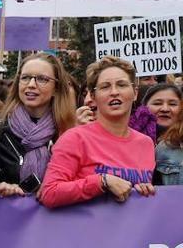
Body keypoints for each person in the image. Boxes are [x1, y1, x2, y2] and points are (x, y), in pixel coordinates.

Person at [39, 56, 156, 209]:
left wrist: (144, 191)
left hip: (130, 231)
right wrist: (102, 182)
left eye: (121, 85)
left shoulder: (146, 143)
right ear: (93, 97)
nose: (114, 92)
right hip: (86, 230)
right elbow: (49, 193)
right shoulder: (75, 138)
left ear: (134, 93)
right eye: (105, 87)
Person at [0, 54, 77, 197]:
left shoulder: (68, 133)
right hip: (9, 215)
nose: (31, 84)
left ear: (56, 88)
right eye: (25, 78)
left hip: (56, 216)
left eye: (42, 79)